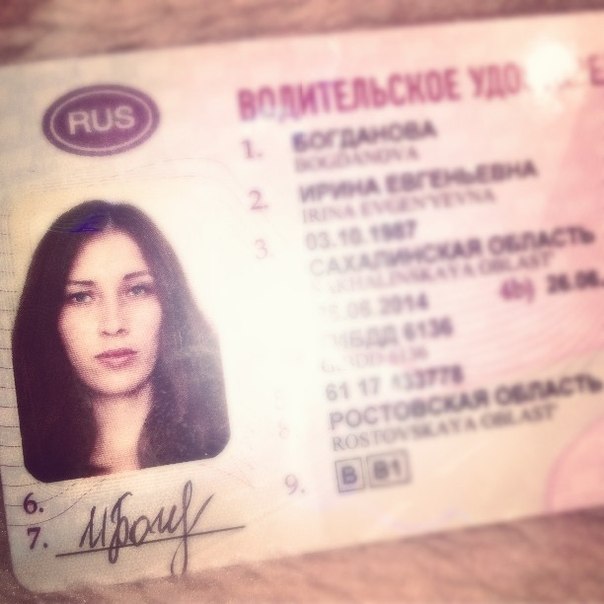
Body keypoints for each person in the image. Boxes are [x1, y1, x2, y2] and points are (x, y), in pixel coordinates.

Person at [12, 200, 229, 482]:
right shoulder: (24, 470)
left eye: (137, 290)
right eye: (81, 297)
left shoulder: (225, 446)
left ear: (170, 303)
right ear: (48, 316)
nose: (113, 325)